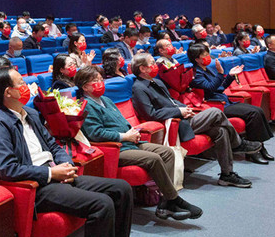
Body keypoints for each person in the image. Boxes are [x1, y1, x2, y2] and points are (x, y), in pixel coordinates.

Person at [0, 68, 155, 237]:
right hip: (37, 187)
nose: (26, 86)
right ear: (8, 92)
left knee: (121, 189)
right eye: (20, 82)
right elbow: (7, 168)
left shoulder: (30, 114)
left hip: (57, 174)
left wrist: (66, 163)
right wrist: (49, 174)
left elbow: (53, 146)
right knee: (101, 204)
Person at [76, 66, 203, 221]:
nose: (100, 83)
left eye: (101, 79)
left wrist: (133, 132)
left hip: (130, 141)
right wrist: (125, 136)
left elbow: (122, 122)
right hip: (115, 149)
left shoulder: (106, 100)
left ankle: (165, 201)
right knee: (154, 159)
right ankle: (174, 200)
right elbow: (95, 133)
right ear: (85, 87)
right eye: (95, 80)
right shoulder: (85, 105)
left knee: (167, 152)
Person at [130, 53, 260, 188]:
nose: (156, 65)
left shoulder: (157, 82)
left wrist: (185, 108)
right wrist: (178, 112)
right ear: (142, 68)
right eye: (152, 63)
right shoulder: (139, 88)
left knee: (221, 131)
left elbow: (171, 101)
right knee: (215, 112)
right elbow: (150, 114)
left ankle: (227, 175)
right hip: (175, 125)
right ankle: (238, 144)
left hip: (184, 118)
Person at [187, 44, 274, 164]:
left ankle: (260, 147)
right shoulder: (195, 73)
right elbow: (210, 87)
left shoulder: (208, 69)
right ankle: (253, 152)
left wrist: (230, 76)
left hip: (224, 101)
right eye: (205, 55)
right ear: (197, 59)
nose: (208, 56)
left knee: (258, 110)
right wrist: (220, 73)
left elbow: (220, 87)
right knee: (253, 113)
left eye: (208, 53)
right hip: (215, 106)